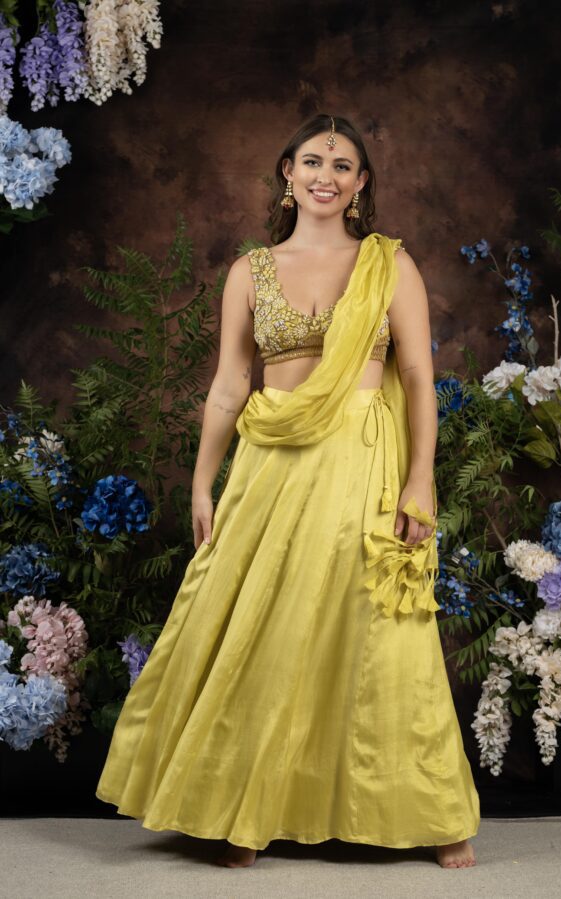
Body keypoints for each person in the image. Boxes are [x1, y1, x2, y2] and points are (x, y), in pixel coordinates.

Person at [95, 113, 480, 870]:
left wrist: (420, 477)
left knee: (376, 628)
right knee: (260, 625)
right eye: (312, 161)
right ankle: (243, 807)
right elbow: (230, 385)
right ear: (287, 173)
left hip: (362, 458)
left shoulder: (388, 265)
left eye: (342, 166)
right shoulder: (251, 270)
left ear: (362, 183)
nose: (326, 176)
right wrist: (203, 480)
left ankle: (430, 815)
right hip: (272, 463)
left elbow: (414, 378)